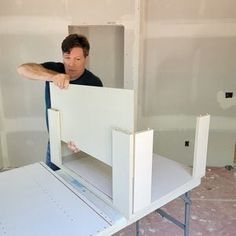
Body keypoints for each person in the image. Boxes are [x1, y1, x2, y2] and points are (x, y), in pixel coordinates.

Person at [17, 34, 103, 170]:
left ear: (86, 58)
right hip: (55, 142)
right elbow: (22, 69)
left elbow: (97, 118)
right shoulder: (55, 69)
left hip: (80, 145)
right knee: (53, 182)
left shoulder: (94, 82)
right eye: (67, 58)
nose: (71, 64)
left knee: (81, 185)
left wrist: (84, 138)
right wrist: (53, 76)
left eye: (77, 59)